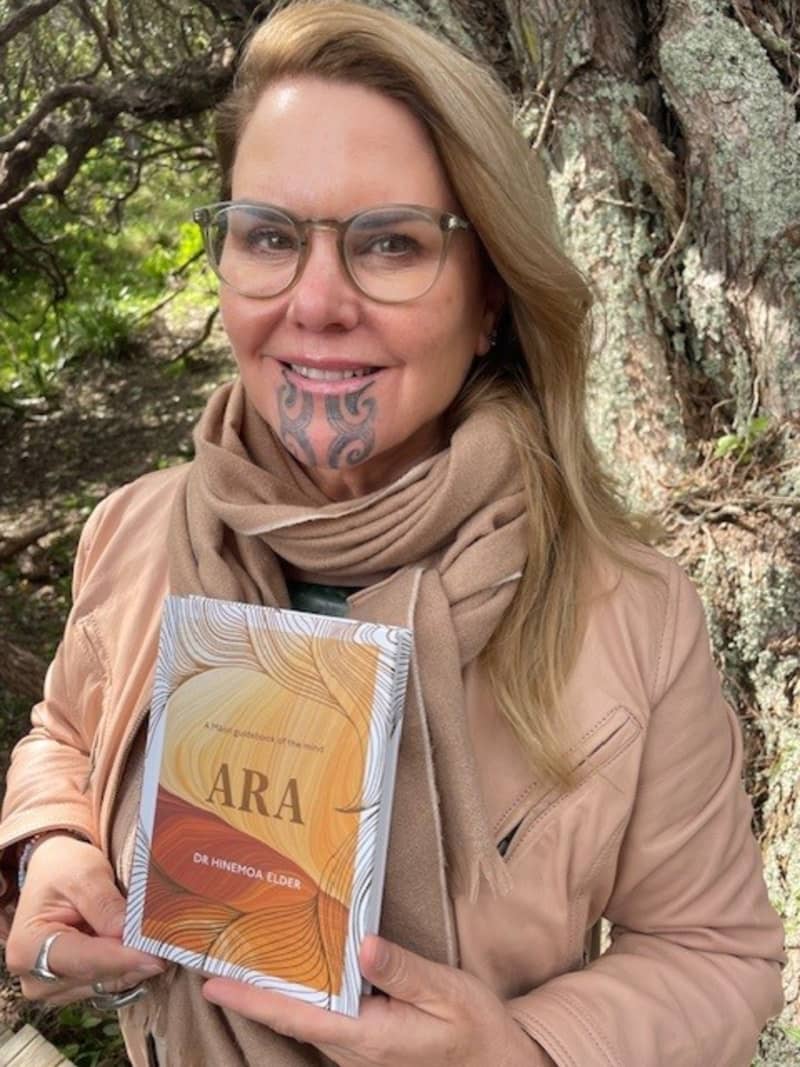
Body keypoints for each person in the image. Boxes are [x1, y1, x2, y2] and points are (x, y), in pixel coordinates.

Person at [0, 2, 785, 1064]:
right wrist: (53, 839)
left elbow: (715, 952)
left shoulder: (627, 614)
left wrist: (517, 1048)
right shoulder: (136, 530)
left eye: (391, 243)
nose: (315, 301)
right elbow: (65, 727)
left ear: (490, 297)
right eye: (270, 235)